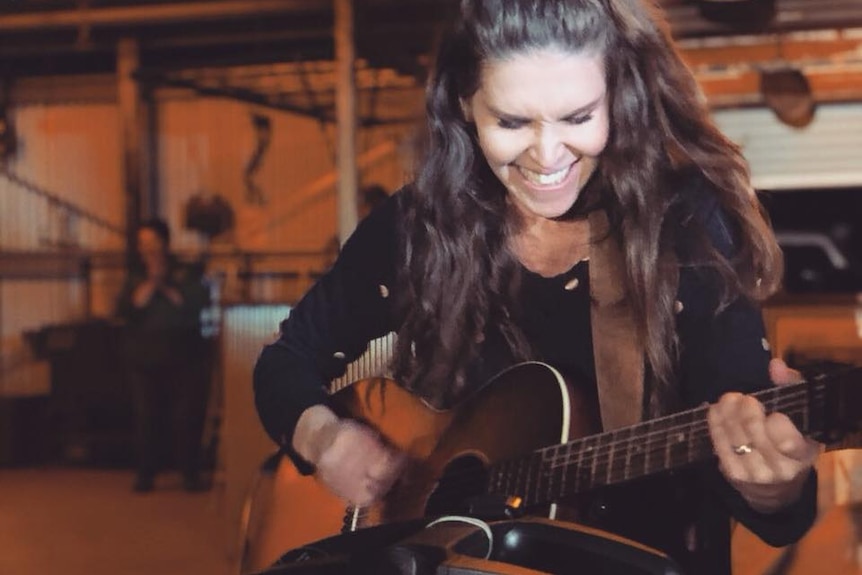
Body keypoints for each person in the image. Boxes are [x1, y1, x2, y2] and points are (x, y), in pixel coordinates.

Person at [253, 0, 821, 572]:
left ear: (617, 98)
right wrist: (324, 438)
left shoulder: (685, 222)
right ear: (464, 105)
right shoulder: (419, 228)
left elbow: (756, 458)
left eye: (578, 118)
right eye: (512, 122)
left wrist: (773, 488)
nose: (548, 156)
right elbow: (287, 360)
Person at [116, 218, 212, 493]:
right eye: (143, 245)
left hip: (185, 355)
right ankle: (146, 474)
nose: (148, 250)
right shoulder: (134, 275)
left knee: (187, 417)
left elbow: (192, 303)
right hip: (145, 358)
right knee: (147, 417)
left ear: (165, 243)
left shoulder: (186, 271)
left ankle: (190, 474)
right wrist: (151, 283)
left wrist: (164, 285)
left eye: (153, 243)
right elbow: (130, 305)